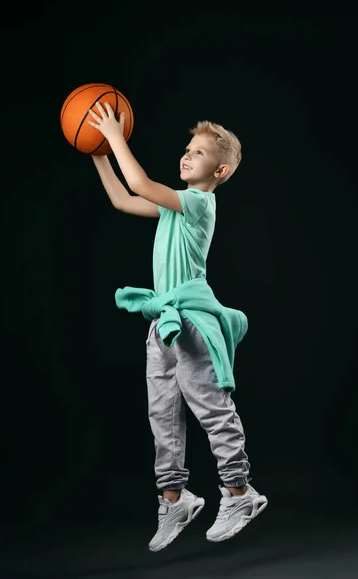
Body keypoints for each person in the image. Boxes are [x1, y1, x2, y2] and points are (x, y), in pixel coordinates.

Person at [87, 101, 268, 552]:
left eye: (199, 153)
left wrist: (115, 136)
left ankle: (240, 493)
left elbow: (141, 184)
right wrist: (99, 155)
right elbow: (123, 198)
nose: (187, 156)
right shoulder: (173, 207)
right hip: (163, 324)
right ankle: (175, 499)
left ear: (220, 170)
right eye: (187, 149)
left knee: (211, 409)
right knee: (162, 415)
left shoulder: (197, 204)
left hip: (191, 322)